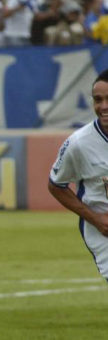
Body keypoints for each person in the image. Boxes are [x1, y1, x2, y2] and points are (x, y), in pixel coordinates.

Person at [47, 68, 108, 283]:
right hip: (104, 233)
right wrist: (95, 219)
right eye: (98, 100)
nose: (103, 106)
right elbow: (56, 185)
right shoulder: (79, 144)